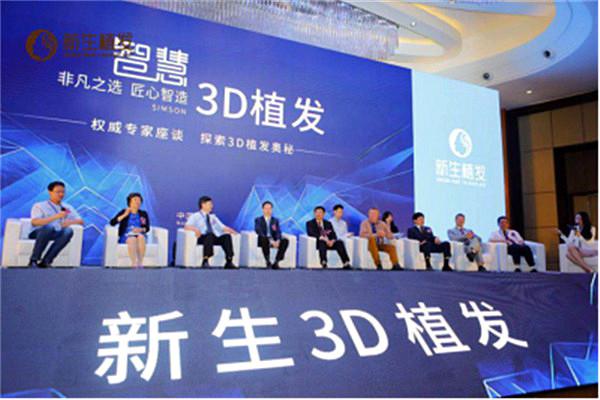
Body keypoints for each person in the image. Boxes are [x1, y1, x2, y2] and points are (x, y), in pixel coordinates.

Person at [28, 181, 84, 268]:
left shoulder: (66, 207)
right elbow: (35, 222)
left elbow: (80, 221)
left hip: (56, 232)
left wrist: (69, 223)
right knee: (49, 227)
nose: (61, 194)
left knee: (68, 231)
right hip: (39, 232)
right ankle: (34, 260)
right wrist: (56, 216)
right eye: (58, 192)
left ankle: (46, 261)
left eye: (63, 192)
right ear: (50, 192)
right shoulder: (40, 205)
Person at [184, 196, 237, 268]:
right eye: (210, 204)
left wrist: (234, 232)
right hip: (202, 237)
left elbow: (223, 227)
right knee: (209, 235)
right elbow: (186, 226)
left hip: (213, 237)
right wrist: (195, 230)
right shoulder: (195, 216)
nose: (212, 206)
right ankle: (205, 260)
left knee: (226, 237)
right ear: (203, 204)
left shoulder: (213, 217)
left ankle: (229, 260)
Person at [110, 193, 150, 268]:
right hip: (126, 235)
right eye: (135, 200)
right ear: (130, 202)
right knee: (132, 239)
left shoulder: (143, 214)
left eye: (139, 200)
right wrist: (125, 215)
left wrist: (141, 229)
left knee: (141, 237)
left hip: (139, 234)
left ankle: (140, 262)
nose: (138, 202)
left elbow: (147, 228)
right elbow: (112, 223)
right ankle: (134, 263)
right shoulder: (124, 211)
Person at [254, 201, 289, 269]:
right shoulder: (258, 220)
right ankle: (268, 261)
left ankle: (276, 262)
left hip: (274, 239)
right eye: (266, 208)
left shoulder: (275, 220)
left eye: (269, 208)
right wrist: (270, 240)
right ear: (263, 209)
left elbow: (278, 231)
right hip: (264, 239)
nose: (268, 210)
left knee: (285, 240)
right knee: (264, 239)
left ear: (272, 209)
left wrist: (278, 240)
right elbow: (258, 230)